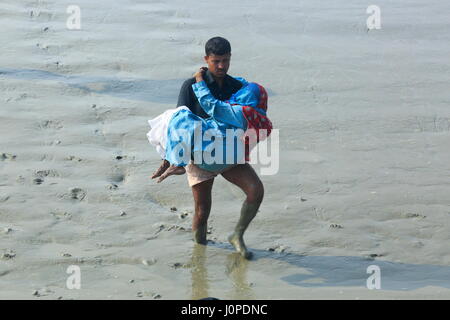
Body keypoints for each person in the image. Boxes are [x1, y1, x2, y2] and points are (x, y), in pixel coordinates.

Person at [151, 37, 266, 259]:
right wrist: (170, 160)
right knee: (202, 211)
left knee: (256, 191)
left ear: (231, 58)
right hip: (200, 157)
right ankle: (199, 252)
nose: (221, 66)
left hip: (229, 154)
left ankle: (238, 235)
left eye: (225, 60)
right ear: (206, 59)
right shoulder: (191, 86)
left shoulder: (238, 86)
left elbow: (250, 118)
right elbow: (176, 125)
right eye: (216, 61)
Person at [147, 67, 272, 182]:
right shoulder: (254, 116)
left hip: (208, 153)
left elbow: (210, 104)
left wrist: (199, 79)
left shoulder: (240, 111)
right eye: (217, 61)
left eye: (243, 93)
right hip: (230, 156)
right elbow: (244, 84)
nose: (237, 94)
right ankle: (170, 160)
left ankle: (175, 162)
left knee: (178, 116)